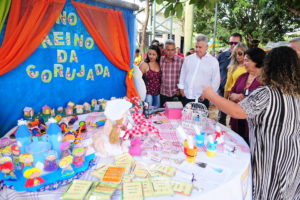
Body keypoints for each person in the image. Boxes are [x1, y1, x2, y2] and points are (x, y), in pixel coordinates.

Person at [201, 46, 300, 199]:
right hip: (292, 157)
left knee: (268, 194)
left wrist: (211, 95)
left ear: (271, 66)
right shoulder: (296, 94)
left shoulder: (267, 93)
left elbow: (237, 111)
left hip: (270, 159)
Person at [229, 48, 265, 143]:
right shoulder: (242, 77)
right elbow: (231, 93)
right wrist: (235, 96)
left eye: (246, 60)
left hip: (253, 126)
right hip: (237, 120)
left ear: (256, 61)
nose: (244, 63)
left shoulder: (265, 81)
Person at [178, 34, 220, 108]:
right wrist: (181, 88)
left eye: (200, 47)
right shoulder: (188, 59)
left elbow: (216, 81)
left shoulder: (213, 62)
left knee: (200, 119)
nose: (197, 49)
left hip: (202, 99)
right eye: (196, 47)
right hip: (186, 96)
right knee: (185, 119)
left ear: (206, 47)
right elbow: (183, 74)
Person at [217, 33, 242, 125]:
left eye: (236, 43)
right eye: (231, 43)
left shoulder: (246, 58)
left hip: (238, 95)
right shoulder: (221, 56)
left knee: (236, 120)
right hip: (223, 92)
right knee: (221, 119)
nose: (233, 45)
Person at [160, 39, 184, 107]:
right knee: (163, 115)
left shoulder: (181, 60)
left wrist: (181, 89)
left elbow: (185, 77)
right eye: (168, 50)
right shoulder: (161, 60)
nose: (170, 52)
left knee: (175, 115)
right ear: (164, 50)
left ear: (175, 50)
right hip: (163, 93)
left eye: (172, 50)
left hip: (176, 94)